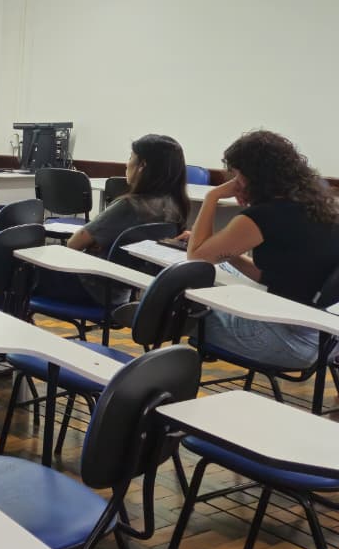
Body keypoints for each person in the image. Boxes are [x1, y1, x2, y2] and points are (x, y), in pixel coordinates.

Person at [188, 130, 339, 369]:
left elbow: (196, 257)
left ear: (252, 176)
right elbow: (277, 276)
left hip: (287, 341)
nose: (234, 182)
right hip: (325, 340)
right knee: (220, 280)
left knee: (182, 311)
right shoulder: (318, 207)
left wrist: (212, 196)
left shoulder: (261, 216)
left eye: (236, 175)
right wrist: (228, 253)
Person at [40, 133, 189, 306]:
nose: (127, 164)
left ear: (142, 165)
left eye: (131, 157)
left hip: (89, 288)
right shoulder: (176, 207)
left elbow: (74, 244)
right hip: (121, 293)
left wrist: (96, 243)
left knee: (17, 265)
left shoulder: (129, 205)